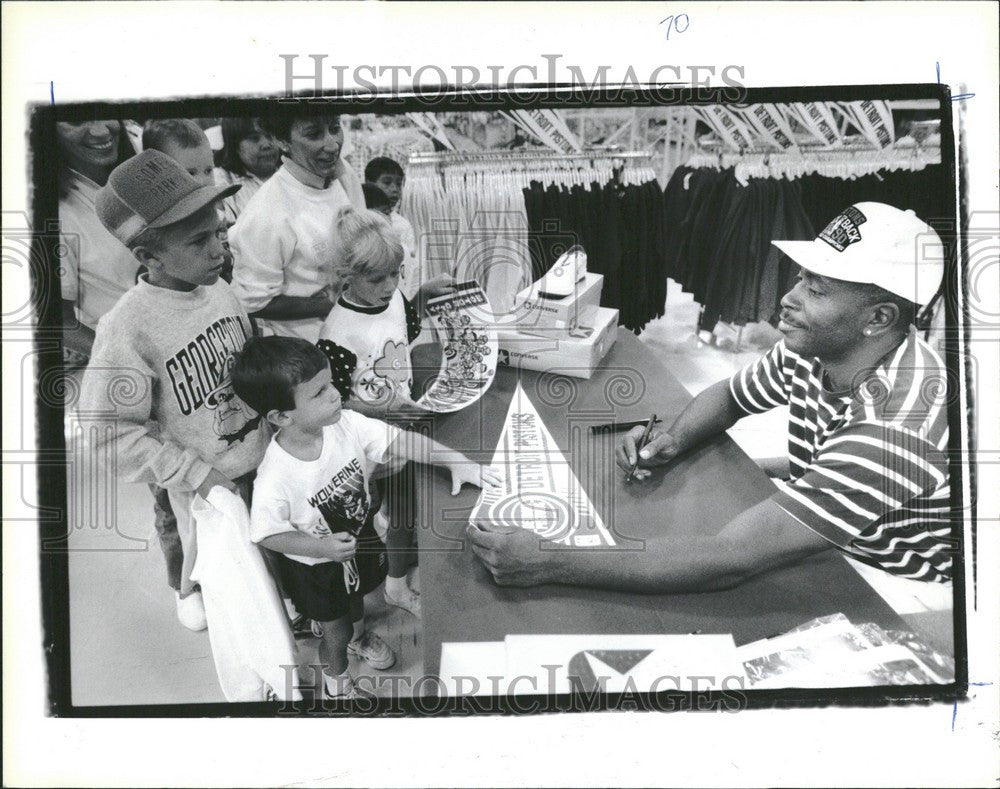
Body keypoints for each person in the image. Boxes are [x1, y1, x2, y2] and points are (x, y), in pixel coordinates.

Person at [469, 202, 952, 592]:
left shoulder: (894, 426)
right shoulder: (819, 347)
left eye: (817, 290)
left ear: (879, 318)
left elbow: (732, 559)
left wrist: (549, 561)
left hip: (890, 577)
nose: (789, 297)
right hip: (838, 528)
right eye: (801, 277)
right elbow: (732, 396)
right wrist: (674, 439)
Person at [231, 336, 500, 699]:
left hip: (355, 546)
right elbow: (267, 535)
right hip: (317, 568)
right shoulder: (275, 476)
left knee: (358, 603)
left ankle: (357, 638)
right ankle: (337, 688)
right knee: (336, 631)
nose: (335, 395)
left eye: (329, 384)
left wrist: (456, 461)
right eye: (319, 392)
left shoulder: (346, 425)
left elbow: (403, 442)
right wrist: (321, 547)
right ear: (281, 416)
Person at [79, 150, 270, 630]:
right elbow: (110, 434)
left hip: (260, 466)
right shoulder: (127, 327)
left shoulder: (218, 288)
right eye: (198, 240)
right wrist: (197, 475)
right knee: (230, 593)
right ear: (148, 256)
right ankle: (191, 591)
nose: (218, 251)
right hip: (203, 492)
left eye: (219, 232)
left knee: (267, 577)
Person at [316, 206, 453, 617]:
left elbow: (404, 328)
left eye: (397, 273)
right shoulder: (337, 333)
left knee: (406, 505)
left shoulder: (390, 298)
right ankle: (387, 583)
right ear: (347, 276)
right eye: (378, 278)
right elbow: (334, 403)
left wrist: (424, 295)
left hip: (402, 425)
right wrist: (383, 410)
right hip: (370, 442)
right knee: (379, 511)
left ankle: (397, 569)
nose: (391, 285)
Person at [228, 103, 366, 342]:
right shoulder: (266, 214)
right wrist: (328, 305)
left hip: (357, 333)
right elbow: (252, 303)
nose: (332, 145)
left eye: (335, 128)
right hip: (312, 349)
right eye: (313, 134)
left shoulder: (341, 177)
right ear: (282, 140)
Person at [56, 118, 137, 361]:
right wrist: (122, 358)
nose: (101, 131)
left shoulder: (139, 173)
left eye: (104, 113)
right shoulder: (55, 213)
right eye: (76, 121)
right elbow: (59, 322)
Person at [364, 156, 421, 301]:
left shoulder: (402, 225)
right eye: (387, 182)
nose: (394, 189)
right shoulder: (358, 218)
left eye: (398, 184)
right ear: (369, 183)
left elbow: (409, 268)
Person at [214, 117, 280, 227]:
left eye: (270, 136)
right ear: (234, 146)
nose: (267, 145)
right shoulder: (222, 181)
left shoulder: (295, 172)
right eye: (254, 138)